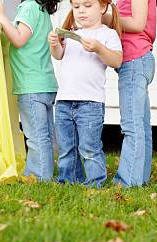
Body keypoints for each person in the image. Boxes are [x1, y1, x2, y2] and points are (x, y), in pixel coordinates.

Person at [48, 0, 122, 187]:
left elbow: (116, 61)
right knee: (66, 148)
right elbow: (59, 55)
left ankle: (95, 182)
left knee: (89, 147)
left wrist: (99, 48)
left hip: (90, 102)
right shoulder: (73, 34)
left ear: (102, 8)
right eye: (77, 7)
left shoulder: (107, 34)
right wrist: (54, 44)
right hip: (64, 101)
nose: (81, 11)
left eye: (87, 6)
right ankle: (68, 180)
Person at [0, 0, 60, 181]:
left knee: (36, 137)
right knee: (43, 135)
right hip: (44, 83)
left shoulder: (29, 7)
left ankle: (38, 178)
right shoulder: (41, 9)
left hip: (31, 86)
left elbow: (19, 39)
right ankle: (43, 175)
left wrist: (0, 15)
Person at [107, 0, 157, 187]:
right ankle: (139, 177)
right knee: (141, 124)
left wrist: (107, 18)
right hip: (139, 59)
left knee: (132, 124)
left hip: (135, 59)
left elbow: (137, 24)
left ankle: (128, 180)